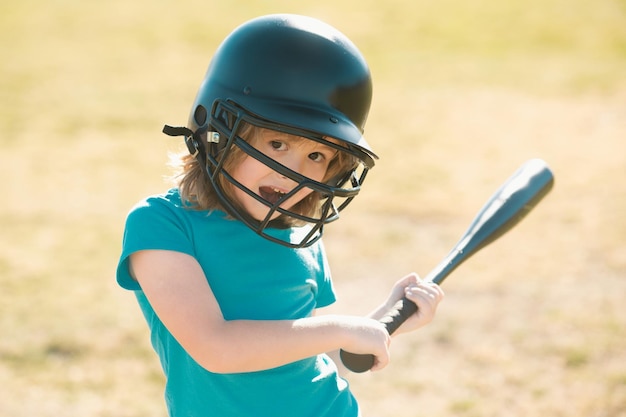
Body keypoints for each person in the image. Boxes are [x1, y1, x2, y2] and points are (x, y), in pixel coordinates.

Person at [116, 14, 444, 417]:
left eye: (317, 155)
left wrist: (384, 323)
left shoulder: (298, 236)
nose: (296, 170)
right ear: (218, 131)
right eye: (276, 143)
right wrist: (344, 327)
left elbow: (304, 356)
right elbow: (216, 348)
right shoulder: (163, 224)